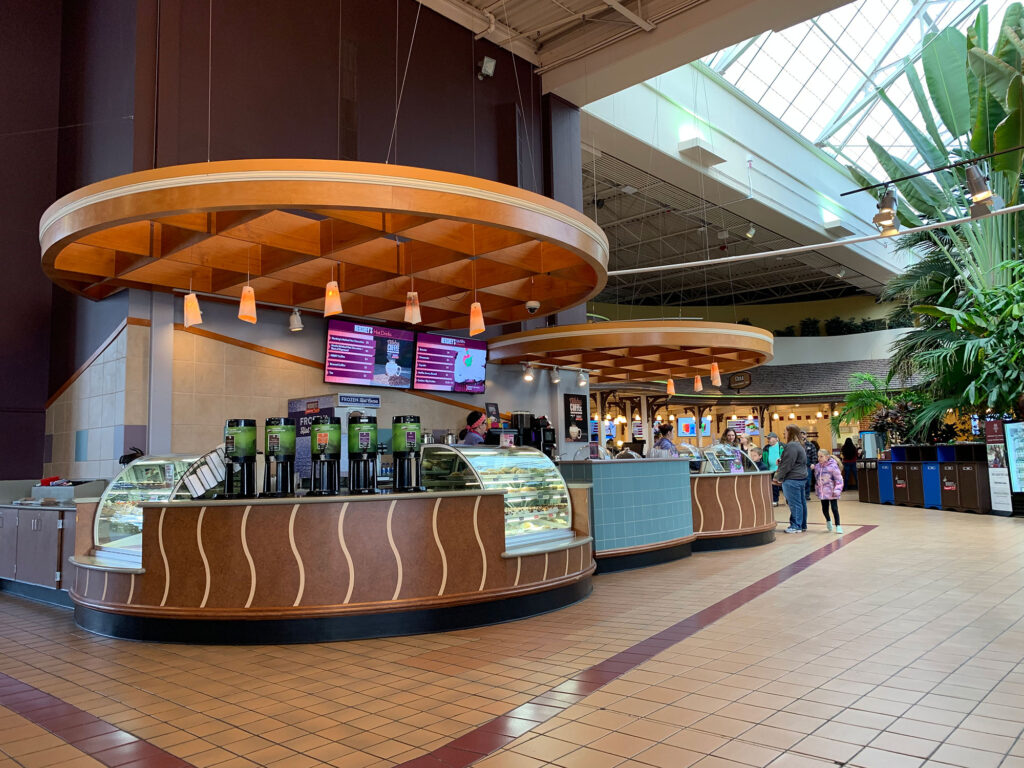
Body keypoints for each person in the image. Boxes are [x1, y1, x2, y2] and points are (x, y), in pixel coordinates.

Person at [773, 425, 808, 533]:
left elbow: (787, 464)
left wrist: (778, 477)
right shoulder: (800, 445)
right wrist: (782, 460)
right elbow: (794, 461)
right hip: (801, 477)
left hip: (792, 479)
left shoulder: (791, 445)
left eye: (785, 432)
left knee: (794, 503)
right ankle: (802, 525)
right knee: (801, 503)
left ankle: (795, 526)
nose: (784, 434)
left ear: (791, 433)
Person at [813, 448, 844, 533]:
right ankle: (828, 521)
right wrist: (817, 489)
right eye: (818, 456)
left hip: (832, 491)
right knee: (824, 508)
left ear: (827, 457)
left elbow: (839, 480)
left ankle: (838, 525)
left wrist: (837, 490)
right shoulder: (817, 467)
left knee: (834, 508)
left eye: (821, 456)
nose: (819, 458)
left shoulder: (833, 466)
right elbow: (817, 479)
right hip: (823, 492)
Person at [764, 432, 783, 506]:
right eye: (767, 438)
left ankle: (788, 499)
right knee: (773, 486)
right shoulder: (766, 448)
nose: (768, 439)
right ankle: (775, 500)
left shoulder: (782, 446)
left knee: (784, 485)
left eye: (770, 438)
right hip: (770, 469)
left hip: (780, 469)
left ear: (776, 438)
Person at [800, 431, 816, 501]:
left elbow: (814, 455)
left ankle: (807, 495)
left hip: (808, 466)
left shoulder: (811, 445)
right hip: (799, 466)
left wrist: (813, 463)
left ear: (806, 435)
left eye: (804, 434)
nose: (802, 436)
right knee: (800, 481)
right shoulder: (797, 445)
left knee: (808, 481)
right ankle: (801, 495)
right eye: (800, 434)